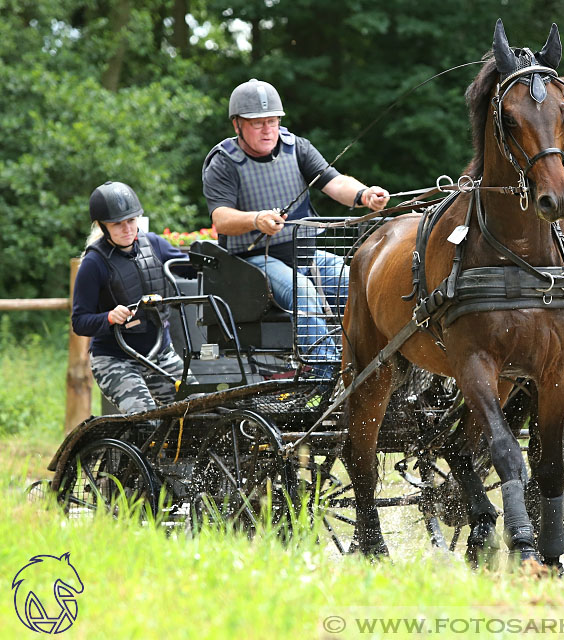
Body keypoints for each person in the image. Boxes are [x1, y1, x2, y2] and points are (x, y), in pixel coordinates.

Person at [201, 78, 389, 364]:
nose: (268, 130)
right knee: (304, 294)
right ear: (237, 125)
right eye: (257, 123)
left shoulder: (296, 148)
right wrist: (256, 219)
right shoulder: (224, 162)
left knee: (356, 283)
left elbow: (334, 182)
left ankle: (373, 362)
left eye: (273, 121)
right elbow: (221, 219)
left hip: (305, 253)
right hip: (252, 262)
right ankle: (328, 375)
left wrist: (364, 194)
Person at [72, 181, 188, 414]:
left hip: (160, 353)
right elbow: (79, 322)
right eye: (117, 224)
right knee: (144, 420)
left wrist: (218, 257)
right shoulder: (93, 264)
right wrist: (109, 317)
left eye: (131, 221)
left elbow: (191, 267)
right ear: (102, 226)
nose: (127, 228)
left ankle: (176, 451)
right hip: (115, 360)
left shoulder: (155, 245)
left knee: (198, 408)